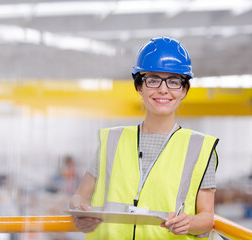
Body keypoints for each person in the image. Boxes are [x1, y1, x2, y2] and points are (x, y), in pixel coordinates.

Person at [69, 37, 219, 240]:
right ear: (139, 87)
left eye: (174, 81)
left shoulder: (201, 148)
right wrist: (80, 209)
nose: (163, 89)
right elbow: (80, 196)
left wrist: (189, 222)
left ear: (184, 90)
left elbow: (207, 217)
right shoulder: (112, 140)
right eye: (153, 80)